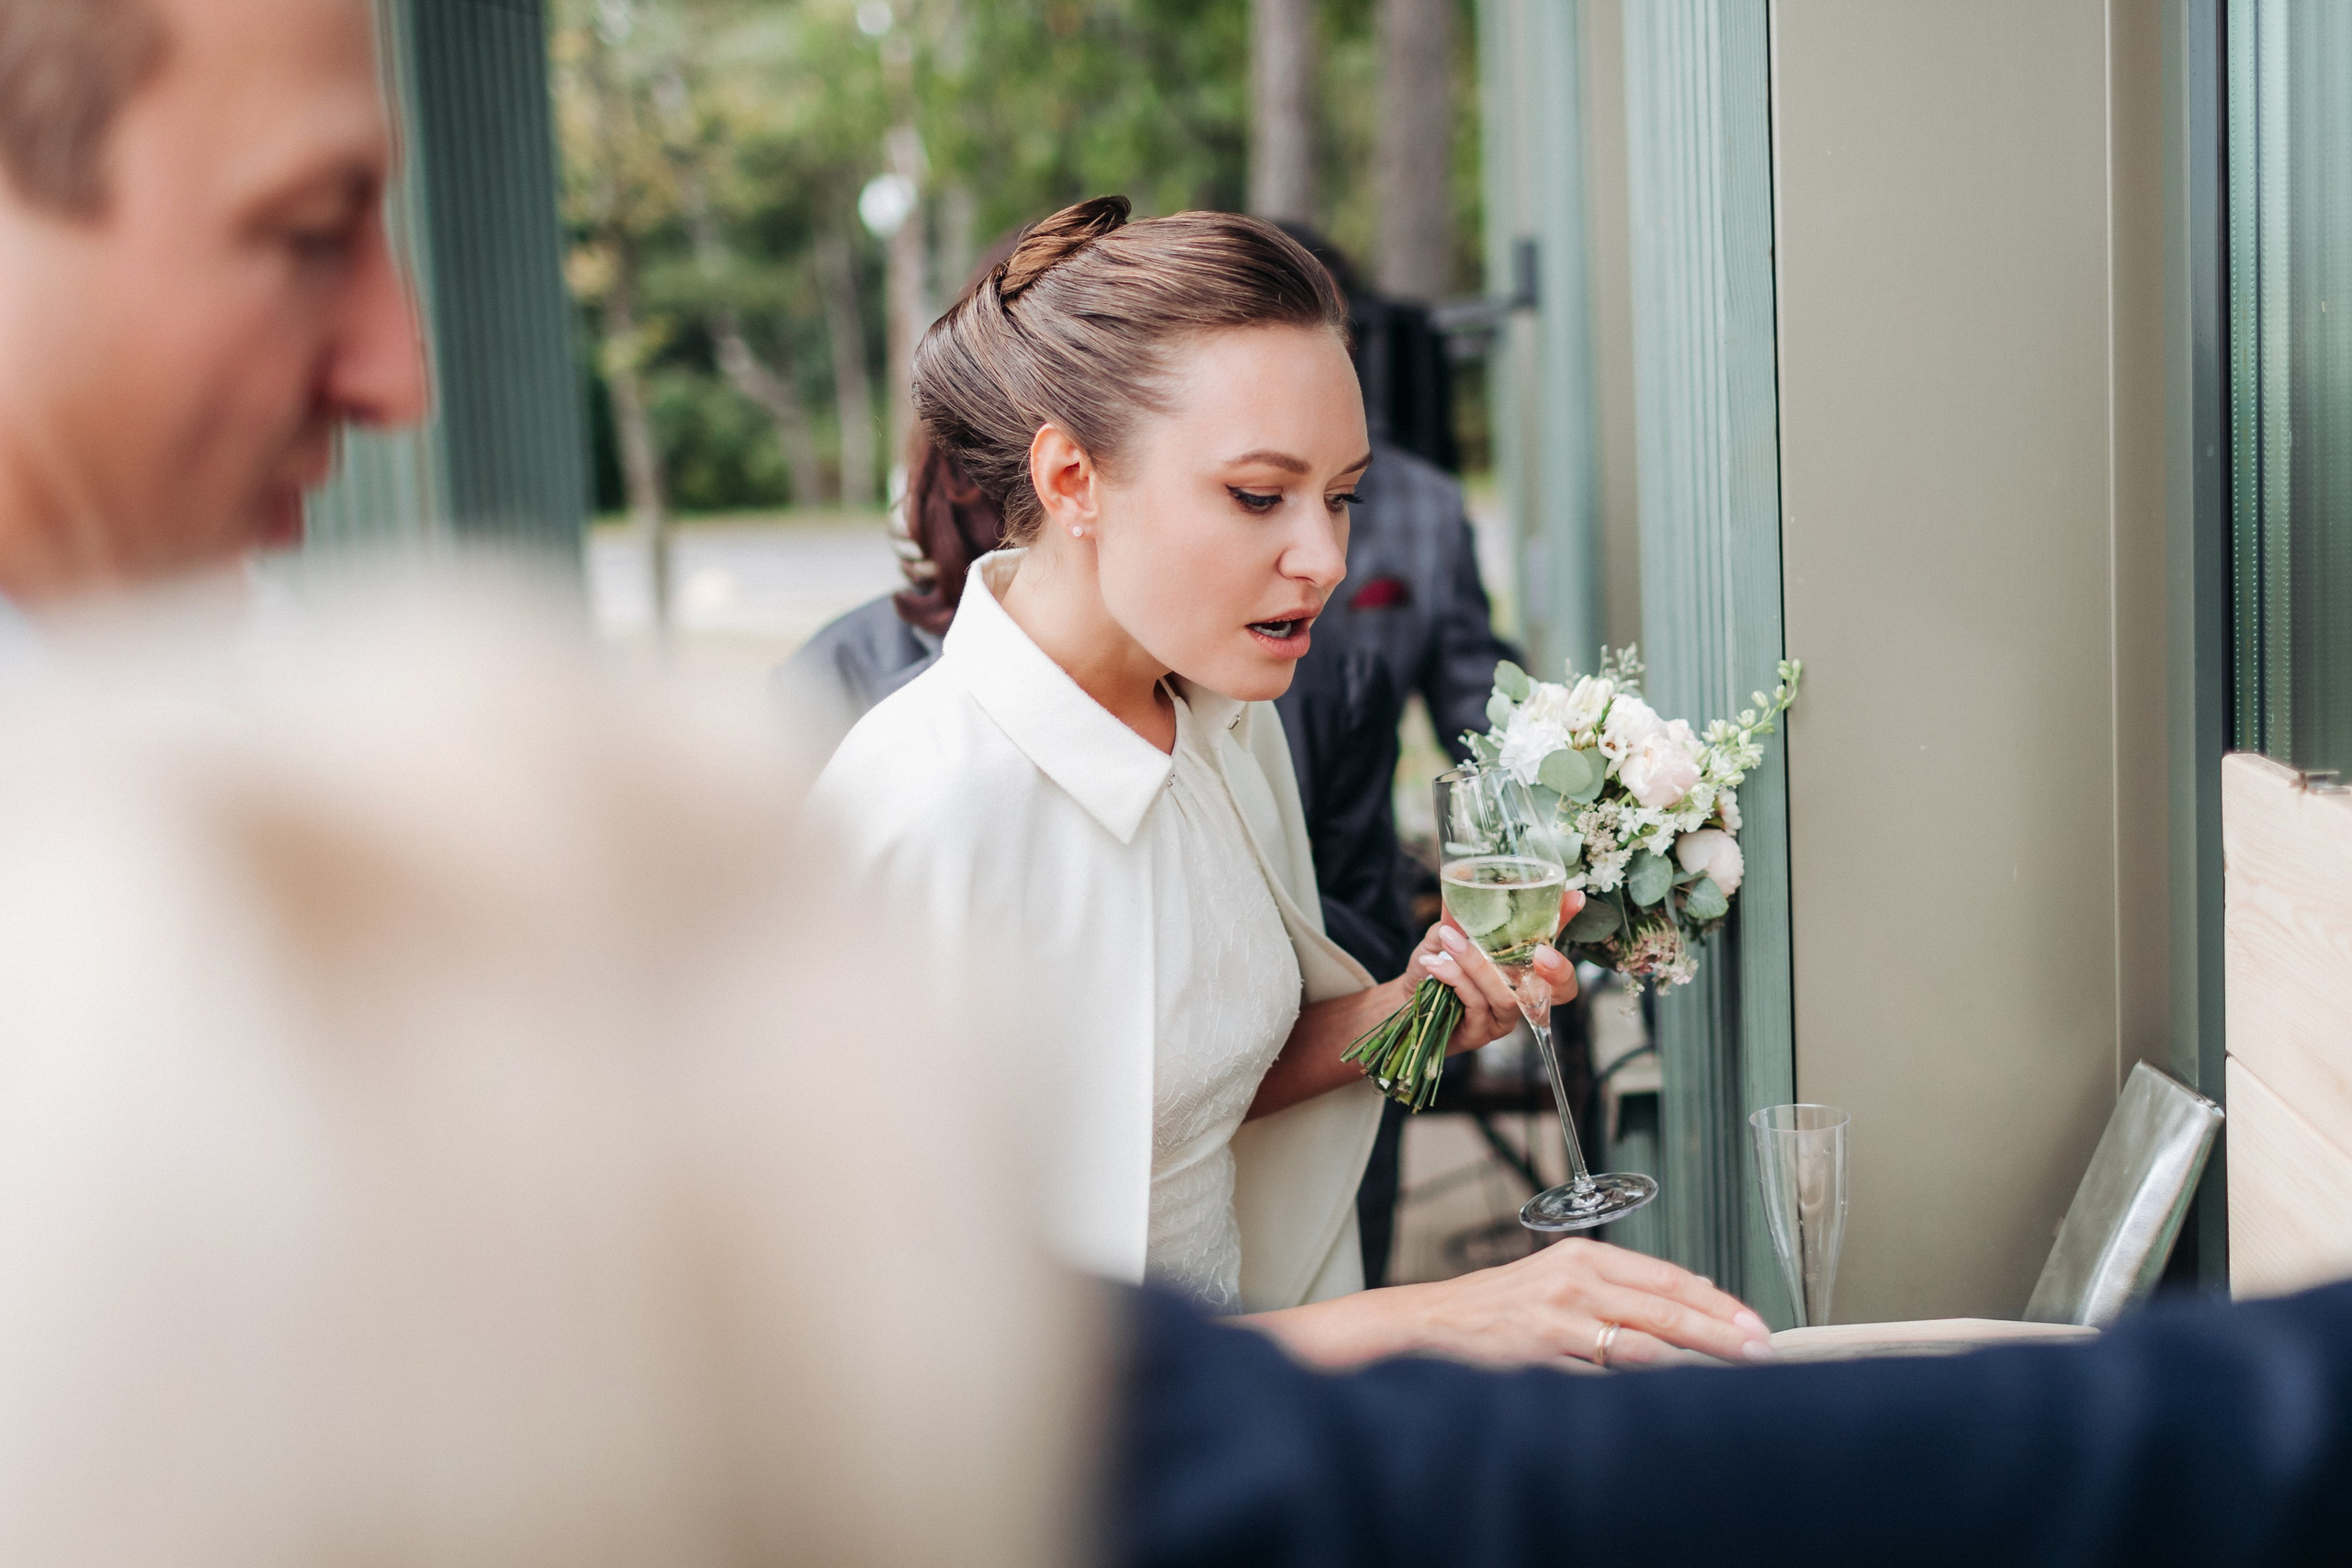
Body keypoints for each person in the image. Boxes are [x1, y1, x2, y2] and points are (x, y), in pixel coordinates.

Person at [809, 196, 1771, 1370]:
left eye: (1342, 495)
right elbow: (940, 1358)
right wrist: (1445, 1313)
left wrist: (1411, 1008)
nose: (1324, 558)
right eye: (1259, 496)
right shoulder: (921, 813)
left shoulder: (1222, 724)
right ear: (1071, 480)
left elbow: (1170, 1096)